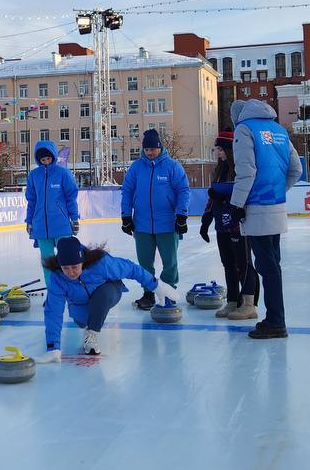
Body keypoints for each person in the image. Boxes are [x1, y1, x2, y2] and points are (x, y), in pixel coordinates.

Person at [35, 236, 181, 360]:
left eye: (74, 267)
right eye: (65, 268)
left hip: (109, 291)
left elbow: (131, 269)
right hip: (80, 305)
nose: (71, 272)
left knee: (103, 296)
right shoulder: (57, 278)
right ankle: (90, 323)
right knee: (82, 320)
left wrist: (156, 286)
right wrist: (53, 347)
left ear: (82, 261)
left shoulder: (101, 264)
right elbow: (53, 311)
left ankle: (92, 335)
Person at [229, 99, 302, 339]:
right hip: (276, 206)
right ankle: (275, 319)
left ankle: (275, 322)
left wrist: (237, 204)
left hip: (256, 207)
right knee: (272, 265)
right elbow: (296, 170)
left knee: (267, 267)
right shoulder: (279, 130)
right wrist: (277, 191)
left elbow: (246, 171)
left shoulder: (244, 129)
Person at [119, 128, 191, 310]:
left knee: (170, 263)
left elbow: (183, 190)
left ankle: (168, 293)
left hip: (167, 224)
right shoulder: (136, 167)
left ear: (160, 147)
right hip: (142, 225)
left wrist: (181, 214)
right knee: (144, 263)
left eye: (153, 149)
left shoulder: (172, 166)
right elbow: (127, 191)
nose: (150, 152)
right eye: (147, 149)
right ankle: (148, 293)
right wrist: (126, 216)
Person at [200, 130, 259, 320]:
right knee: (228, 264)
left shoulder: (242, 169)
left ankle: (248, 304)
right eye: (217, 149)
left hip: (238, 225)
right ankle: (233, 301)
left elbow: (247, 193)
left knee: (243, 264)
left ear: (230, 149)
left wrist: (225, 197)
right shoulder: (219, 170)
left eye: (220, 149)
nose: (218, 153)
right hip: (222, 225)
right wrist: (206, 220)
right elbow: (212, 199)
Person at [24, 140, 80, 263]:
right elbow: (31, 201)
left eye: (48, 158)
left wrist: (74, 219)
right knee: (47, 262)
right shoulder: (34, 175)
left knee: (66, 260)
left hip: (61, 224)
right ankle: (50, 277)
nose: (46, 162)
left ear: (53, 156)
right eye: (43, 160)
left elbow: (71, 198)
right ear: (38, 160)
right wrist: (29, 221)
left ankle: (65, 277)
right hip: (40, 226)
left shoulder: (63, 173)